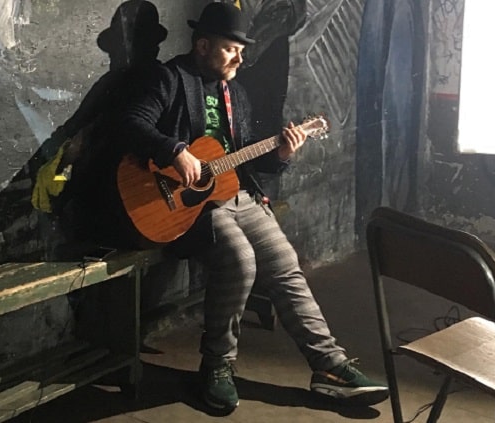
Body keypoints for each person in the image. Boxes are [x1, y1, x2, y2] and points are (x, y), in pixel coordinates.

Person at [116, 2, 389, 411]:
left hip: (236, 195)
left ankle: (329, 366)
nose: (240, 59)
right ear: (203, 45)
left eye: (242, 51)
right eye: (231, 49)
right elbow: (131, 123)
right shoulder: (170, 79)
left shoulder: (236, 95)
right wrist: (173, 150)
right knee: (240, 261)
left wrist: (281, 155)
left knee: (285, 264)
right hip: (187, 206)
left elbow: (240, 160)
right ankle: (217, 365)